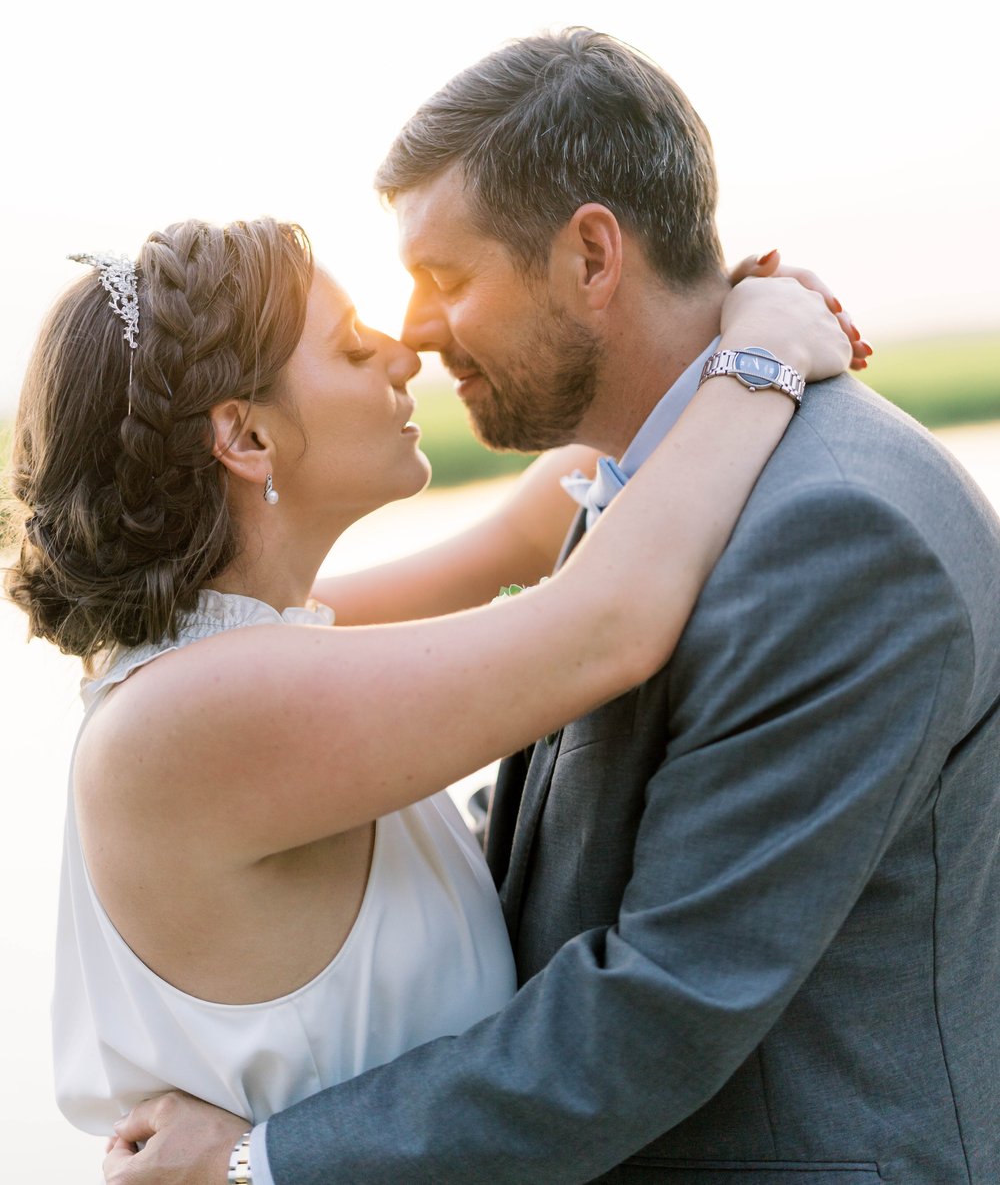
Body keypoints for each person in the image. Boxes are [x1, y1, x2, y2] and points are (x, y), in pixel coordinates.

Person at [108, 31, 1000, 1185]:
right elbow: (564, 839)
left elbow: (662, 1004)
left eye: (447, 278)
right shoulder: (661, 482)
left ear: (590, 256)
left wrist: (259, 1161)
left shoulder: (834, 533)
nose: (415, 333)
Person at [6, 219, 847, 1152]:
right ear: (244, 436)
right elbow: (607, 626)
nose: (405, 357)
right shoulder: (198, 713)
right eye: (354, 348)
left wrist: (692, 318)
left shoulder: (245, 648)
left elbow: (531, 532)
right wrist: (763, 352)